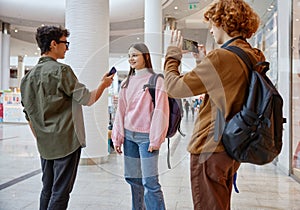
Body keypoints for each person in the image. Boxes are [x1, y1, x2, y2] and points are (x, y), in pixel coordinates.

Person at [163, 0, 264, 209]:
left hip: (210, 148)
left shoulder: (222, 57)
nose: (210, 30)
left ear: (223, 22)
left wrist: (172, 55)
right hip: (231, 147)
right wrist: (203, 63)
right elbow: (227, 91)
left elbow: (175, 88)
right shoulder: (252, 55)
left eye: (212, 24)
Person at [20, 25, 114, 210]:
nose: (67, 47)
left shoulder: (27, 77)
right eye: (65, 43)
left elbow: (28, 114)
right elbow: (88, 99)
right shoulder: (62, 71)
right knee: (60, 192)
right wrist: (103, 84)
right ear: (53, 44)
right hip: (66, 141)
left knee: (47, 189)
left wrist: (41, 137)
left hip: (45, 143)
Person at [111, 43, 169, 210]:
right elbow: (120, 112)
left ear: (146, 56)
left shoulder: (156, 79)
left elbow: (161, 110)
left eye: (135, 55)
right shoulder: (126, 83)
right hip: (129, 137)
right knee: (134, 181)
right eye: (129, 55)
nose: (131, 58)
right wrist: (118, 137)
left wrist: (155, 139)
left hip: (147, 138)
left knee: (150, 182)